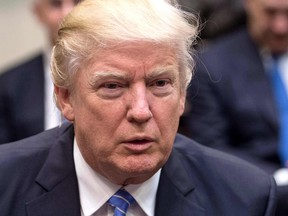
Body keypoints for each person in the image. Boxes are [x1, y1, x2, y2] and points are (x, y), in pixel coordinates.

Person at [0, 0, 276, 215]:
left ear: (182, 96)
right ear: (65, 99)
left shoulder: (245, 196)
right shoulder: (6, 184)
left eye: (159, 83)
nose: (141, 111)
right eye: (112, 86)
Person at [182, 0, 288, 214]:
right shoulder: (213, 67)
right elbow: (212, 147)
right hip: (261, 188)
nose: (280, 26)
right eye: (270, 13)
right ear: (249, 4)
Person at [0, 0, 80, 144]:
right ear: (38, 13)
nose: (67, 14)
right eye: (55, 5)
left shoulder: (116, 74)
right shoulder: (8, 86)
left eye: (77, 2)